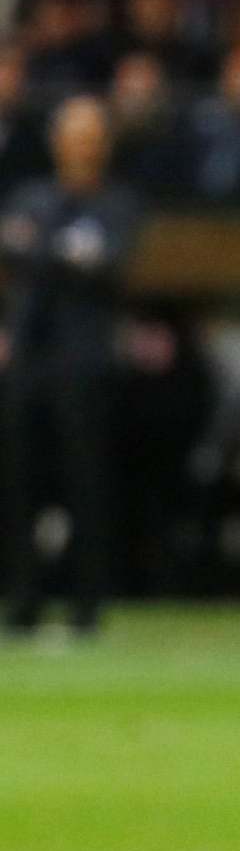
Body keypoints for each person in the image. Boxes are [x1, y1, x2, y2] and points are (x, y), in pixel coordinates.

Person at [1, 94, 140, 635]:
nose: (81, 145)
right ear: (57, 141)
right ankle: (23, 596)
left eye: (90, 134)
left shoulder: (118, 203)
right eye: (72, 133)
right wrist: (65, 258)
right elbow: (17, 251)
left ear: (104, 144)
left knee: (86, 483)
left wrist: (40, 253)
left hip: (85, 361)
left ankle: (86, 602)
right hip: (29, 358)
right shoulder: (32, 196)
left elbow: (109, 268)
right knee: (20, 484)